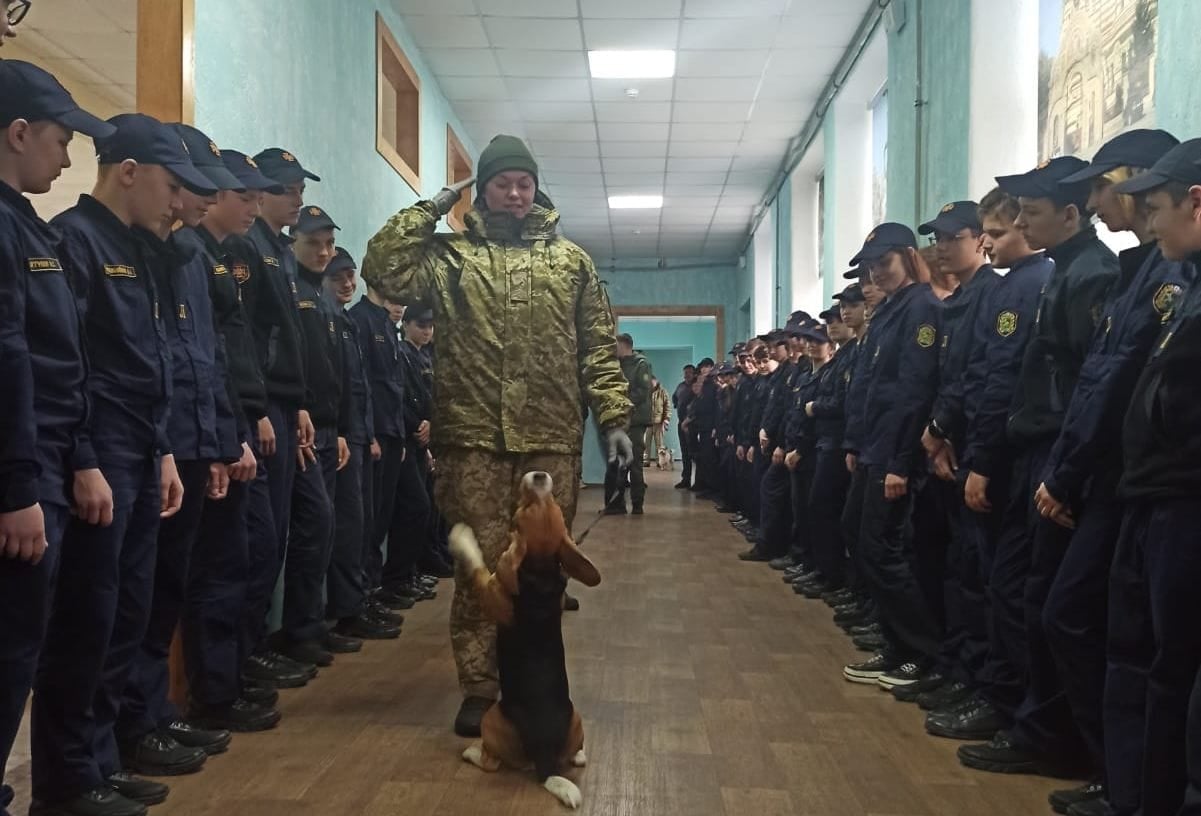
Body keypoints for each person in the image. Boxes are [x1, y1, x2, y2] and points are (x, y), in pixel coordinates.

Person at [363, 134, 632, 738]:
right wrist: (430, 206)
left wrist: (614, 418)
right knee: (479, 566)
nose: (515, 193)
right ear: (481, 190)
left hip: (549, 439)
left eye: (524, 183)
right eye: (503, 182)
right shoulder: (449, 258)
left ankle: (532, 682)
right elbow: (382, 268)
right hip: (473, 440)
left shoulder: (571, 263)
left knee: (541, 570)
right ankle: (481, 687)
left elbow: (596, 349)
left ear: (537, 190)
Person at [34, 112, 216, 816]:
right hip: (100, 454)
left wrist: (166, 448)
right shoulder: (73, 242)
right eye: (172, 187)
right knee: (86, 619)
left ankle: (103, 760)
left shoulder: (143, 251)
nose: (179, 205)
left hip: (142, 451)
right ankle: (68, 782)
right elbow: (69, 366)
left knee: (126, 612)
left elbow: (152, 365)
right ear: (129, 173)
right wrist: (83, 457)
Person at [959, 156, 1120, 779]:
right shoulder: (1065, 273)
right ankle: (1031, 720)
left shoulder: (1088, 276)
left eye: (1031, 213)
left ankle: (1051, 735)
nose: (1021, 222)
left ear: (1071, 213)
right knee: (1023, 594)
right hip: (1038, 452)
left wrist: (1064, 471)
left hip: (1056, 457)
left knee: (1048, 604)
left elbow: (1087, 384)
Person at [113, 123, 249, 780]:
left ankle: (152, 714)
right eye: (188, 187)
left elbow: (206, 359)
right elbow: (149, 362)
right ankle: (129, 726)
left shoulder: (188, 257)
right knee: (133, 598)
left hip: (190, 444)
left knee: (163, 590)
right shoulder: (143, 250)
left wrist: (220, 444)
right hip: (150, 446)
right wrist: (170, 444)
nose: (192, 200)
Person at [0, 58, 113, 816]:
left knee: (26, 651)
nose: (68, 157)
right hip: (21, 477)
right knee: (7, 657)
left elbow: (57, 357)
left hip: (46, 464)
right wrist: (17, 487)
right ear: (17, 133)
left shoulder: (26, 226)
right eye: (61, 138)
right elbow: (7, 356)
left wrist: (78, 458)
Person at [1082, 137, 1201, 816]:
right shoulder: (1182, 284)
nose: (1147, 221)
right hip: (1150, 497)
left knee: (1174, 670)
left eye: (1154, 207)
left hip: (1182, 502)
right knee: (1145, 660)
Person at [182, 148, 289, 730]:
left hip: (238, 422)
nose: (252, 205)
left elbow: (235, 349)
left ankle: (234, 676)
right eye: (242, 196)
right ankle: (213, 696)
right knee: (221, 570)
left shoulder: (219, 258)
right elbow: (204, 357)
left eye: (255, 196)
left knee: (249, 558)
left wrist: (246, 418)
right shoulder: (191, 255)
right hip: (219, 431)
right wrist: (229, 433)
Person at [840, 223, 943, 689]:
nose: (876, 273)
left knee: (882, 549)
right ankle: (895, 642)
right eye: (870, 266)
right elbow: (870, 391)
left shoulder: (920, 306)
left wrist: (900, 462)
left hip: (894, 452)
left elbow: (914, 391)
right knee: (860, 538)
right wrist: (858, 446)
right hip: (875, 448)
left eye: (884, 262)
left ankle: (919, 653)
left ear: (906, 256)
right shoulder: (887, 313)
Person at [911, 200, 1001, 732]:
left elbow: (982, 379)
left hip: (971, 453)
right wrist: (939, 438)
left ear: (980, 240)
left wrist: (943, 433)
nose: (942, 247)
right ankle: (957, 669)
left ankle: (977, 682)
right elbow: (947, 379)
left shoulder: (994, 295)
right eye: (937, 239)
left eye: (952, 237)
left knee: (979, 579)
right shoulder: (962, 300)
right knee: (957, 572)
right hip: (946, 452)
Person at [238, 147, 321, 689]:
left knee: (278, 536)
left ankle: (255, 649)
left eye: (299, 190)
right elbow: (243, 336)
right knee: (256, 541)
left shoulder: (280, 252)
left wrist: (300, 403)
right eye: (286, 189)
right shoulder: (247, 247)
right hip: (262, 407)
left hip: (286, 405)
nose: (296, 199)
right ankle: (242, 658)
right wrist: (259, 406)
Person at [322, 248, 401, 644]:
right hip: (340, 437)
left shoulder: (347, 324)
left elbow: (364, 388)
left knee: (365, 523)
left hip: (359, 434)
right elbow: (335, 387)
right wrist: (358, 434)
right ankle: (345, 610)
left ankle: (359, 600)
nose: (347, 284)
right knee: (348, 528)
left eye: (350, 276)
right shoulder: (340, 320)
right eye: (339, 278)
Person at [280, 204, 346, 666]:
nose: (322, 252)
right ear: (293, 243)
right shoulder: (284, 285)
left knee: (321, 531)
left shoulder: (319, 295)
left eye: (327, 244)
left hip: (324, 428)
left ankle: (311, 622)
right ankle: (297, 632)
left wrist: (339, 428)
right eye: (313, 244)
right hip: (295, 425)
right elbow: (286, 360)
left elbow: (331, 372)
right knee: (310, 528)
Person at [376, 304, 438, 606]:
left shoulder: (424, 355)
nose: (427, 331)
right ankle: (396, 579)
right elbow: (398, 396)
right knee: (413, 507)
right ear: (408, 325)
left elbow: (427, 398)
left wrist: (430, 426)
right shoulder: (402, 352)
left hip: (418, 438)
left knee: (422, 508)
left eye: (430, 326)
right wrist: (418, 425)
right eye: (421, 325)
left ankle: (409, 573)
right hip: (404, 436)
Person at [610, 333, 652, 515]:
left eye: (616, 346)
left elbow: (643, 391)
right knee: (619, 464)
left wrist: (622, 403)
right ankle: (617, 503)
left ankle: (637, 504)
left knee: (634, 463)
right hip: (620, 421)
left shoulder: (641, 364)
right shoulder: (618, 364)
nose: (614, 349)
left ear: (624, 345)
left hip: (635, 421)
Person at [672, 365, 696, 488]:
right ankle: (685, 479)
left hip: (692, 425)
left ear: (694, 373)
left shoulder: (696, 387)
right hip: (681, 423)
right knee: (685, 453)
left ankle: (698, 482)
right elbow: (674, 398)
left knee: (694, 453)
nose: (687, 375)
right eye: (685, 373)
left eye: (689, 373)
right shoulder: (681, 386)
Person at [647, 377, 670, 468]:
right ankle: (645, 461)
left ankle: (659, 461)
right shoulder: (644, 392)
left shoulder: (663, 392)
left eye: (652, 382)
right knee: (645, 443)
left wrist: (666, 419)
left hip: (659, 422)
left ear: (656, 381)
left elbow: (667, 406)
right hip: (646, 422)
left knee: (659, 444)